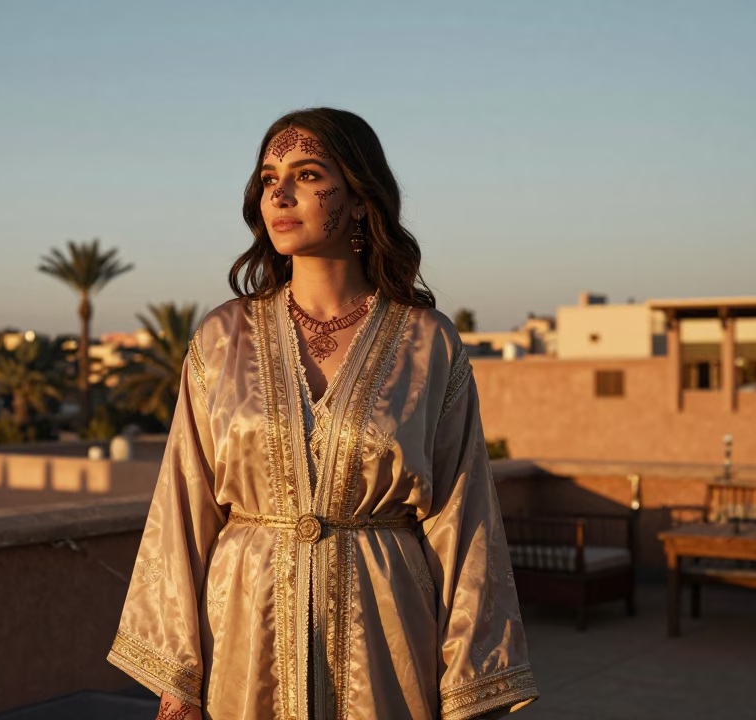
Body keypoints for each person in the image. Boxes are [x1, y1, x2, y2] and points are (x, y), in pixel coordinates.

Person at [107, 108, 538, 720]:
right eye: (267, 177)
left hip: (387, 634)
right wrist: (178, 674)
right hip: (243, 632)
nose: (278, 193)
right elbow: (182, 506)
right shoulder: (223, 337)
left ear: (361, 199)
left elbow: (465, 524)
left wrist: (472, 681)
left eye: (307, 174)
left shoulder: (428, 343)